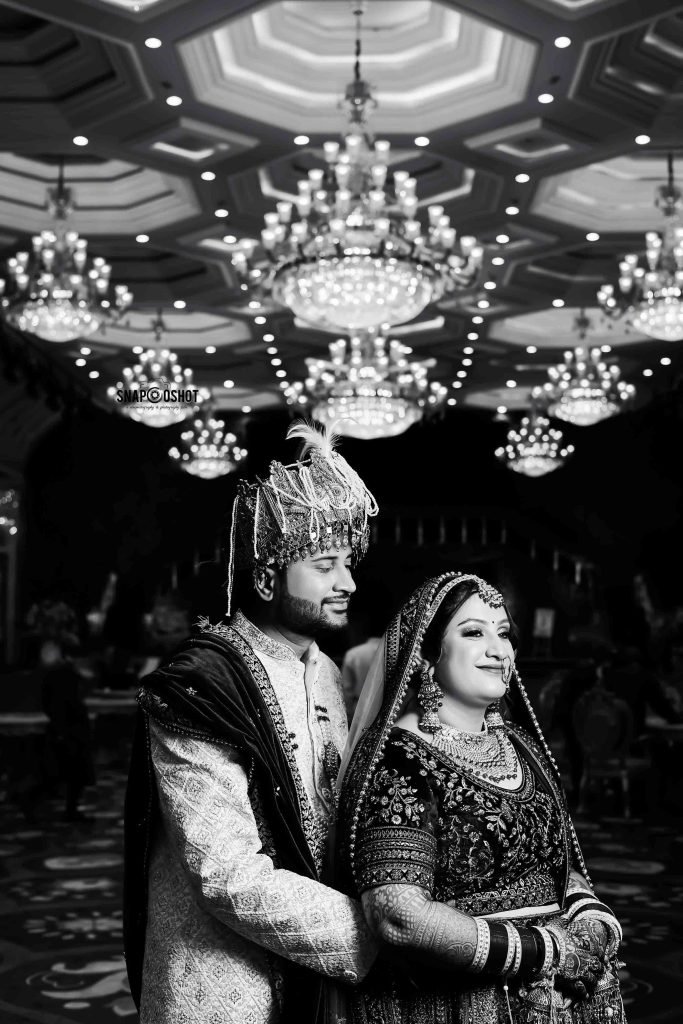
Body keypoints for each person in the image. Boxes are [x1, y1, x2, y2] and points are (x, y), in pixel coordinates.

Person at [124, 421, 380, 1024]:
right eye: (324, 565)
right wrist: (384, 934)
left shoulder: (324, 670)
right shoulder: (201, 687)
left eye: (348, 563)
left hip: (315, 984)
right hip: (220, 986)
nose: (347, 582)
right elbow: (226, 873)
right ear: (266, 579)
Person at [338, 572, 626, 1024]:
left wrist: (592, 923)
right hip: (457, 1005)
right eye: (474, 633)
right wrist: (546, 951)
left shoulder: (520, 745)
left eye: (504, 633)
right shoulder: (400, 760)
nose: (499, 650)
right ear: (426, 655)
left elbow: (558, 863)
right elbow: (398, 915)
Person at [40, 639, 96, 822]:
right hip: (70, 729)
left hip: (66, 727)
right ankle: (69, 809)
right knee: (73, 773)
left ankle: (68, 808)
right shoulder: (66, 676)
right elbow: (65, 703)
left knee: (69, 773)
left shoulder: (59, 674)